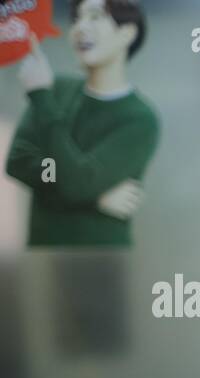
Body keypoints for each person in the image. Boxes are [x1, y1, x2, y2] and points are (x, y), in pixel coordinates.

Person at [5, 0, 159, 248]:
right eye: (76, 19)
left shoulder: (140, 119)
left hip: (103, 263)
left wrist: (41, 97)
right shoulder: (57, 89)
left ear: (127, 33)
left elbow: (78, 184)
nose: (80, 28)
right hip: (43, 258)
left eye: (95, 17)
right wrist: (95, 199)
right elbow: (17, 162)